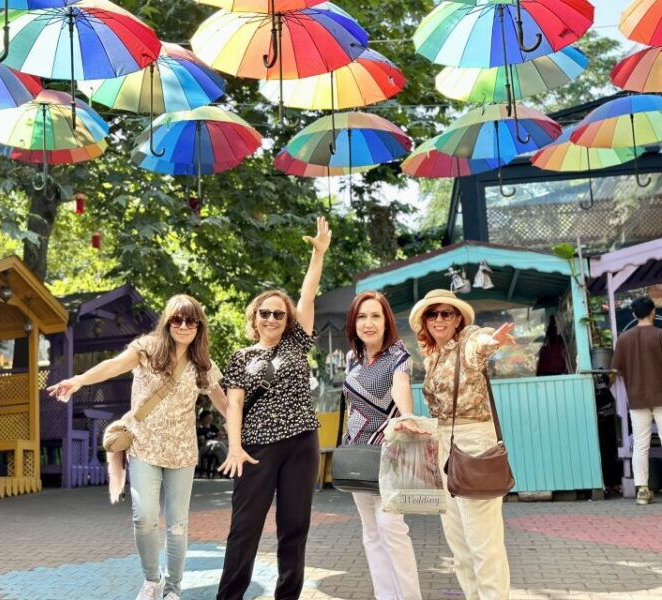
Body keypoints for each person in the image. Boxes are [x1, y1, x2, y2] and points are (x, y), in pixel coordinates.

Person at [47, 295, 227, 600]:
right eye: (177, 320)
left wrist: (245, 432)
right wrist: (79, 379)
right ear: (167, 323)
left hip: (182, 453)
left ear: (199, 326)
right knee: (144, 517)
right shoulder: (147, 349)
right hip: (143, 446)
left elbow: (225, 404)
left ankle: (173, 589)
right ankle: (152, 580)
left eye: (190, 320)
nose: (183, 326)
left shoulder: (203, 365)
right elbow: (113, 366)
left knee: (178, 526)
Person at [216, 217, 331, 600]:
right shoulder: (240, 356)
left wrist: (318, 254)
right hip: (255, 447)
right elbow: (233, 406)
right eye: (264, 313)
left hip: (301, 442)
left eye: (278, 314)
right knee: (245, 527)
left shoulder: (297, 343)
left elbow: (308, 295)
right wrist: (235, 447)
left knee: (294, 526)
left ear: (287, 320)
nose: (271, 318)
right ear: (254, 318)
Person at [409, 289, 516, 600]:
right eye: (433, 314)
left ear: (458, 319)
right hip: (444, 444)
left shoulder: (468, 339)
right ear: (424, 321)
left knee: (483, 541)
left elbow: (481, 345)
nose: (440, 319)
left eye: (447, 313)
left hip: (473, 443)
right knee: (458, 542)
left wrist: (492, 340)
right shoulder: (432, 356)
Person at [341, 290, 424, 600]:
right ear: (354, 322)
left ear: (386, 321)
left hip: (388, 452)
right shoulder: (352, 357)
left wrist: (407, 416)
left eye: (375, 315)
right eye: (362, 316)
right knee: (371, 533)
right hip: (357, 453)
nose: (369, 322)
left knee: (391, 527)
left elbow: (401, 384)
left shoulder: (398, 354)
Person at [611, 296, 662, 505]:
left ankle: (642, 490)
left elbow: (614, 371)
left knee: (640, 445)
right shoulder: (659, 335)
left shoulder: (623, 339)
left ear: (633, 314)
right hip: (661, 395)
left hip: (636, 398)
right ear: (652, 312)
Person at [197, 410, 228, 476]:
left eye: (211, 418)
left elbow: (221, 435)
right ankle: (229, 466)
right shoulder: (201, 428)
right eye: (208, 418)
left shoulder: (213, 427)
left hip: (214, 447)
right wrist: (215, 439)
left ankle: (226, 470)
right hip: (205, 448)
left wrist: (223, 434)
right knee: (219, 444)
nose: (210, 420)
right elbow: (202, 442)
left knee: (222, 447)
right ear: (204, 418)